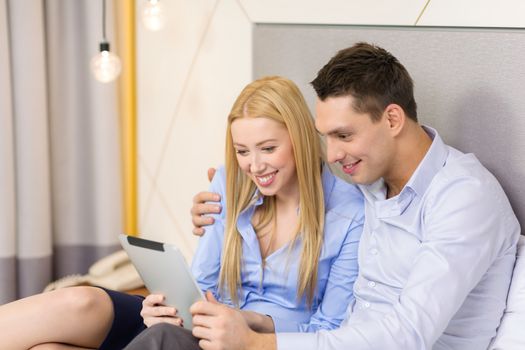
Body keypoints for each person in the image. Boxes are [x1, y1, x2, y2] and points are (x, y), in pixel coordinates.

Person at [126, 42, 521, 350]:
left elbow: (407, 336)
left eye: (344, 136)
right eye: (326, 137)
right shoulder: (370, 184)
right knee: (165, 338)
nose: (331, 155)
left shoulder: (463, 198)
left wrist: (263, 343)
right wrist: (231, 194)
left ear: (393, 119)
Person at [0, 76, 364, 349]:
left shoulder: (349, 213)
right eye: (241, 151)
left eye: (268, 148)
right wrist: (165, 307)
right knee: (79, 304)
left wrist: (249, 323)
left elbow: (329, 328)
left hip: (246, 341)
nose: (254, 166)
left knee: (159, 339)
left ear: (300, 138)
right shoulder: (230, 184)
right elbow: (202, 285)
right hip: (195, 327)